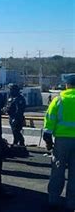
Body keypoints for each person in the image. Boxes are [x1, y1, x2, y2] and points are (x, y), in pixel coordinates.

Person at [43, 75, 75, 211]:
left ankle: (54, 200)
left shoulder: (59, 99)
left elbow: (50, 120)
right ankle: (71, 203)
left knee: (57, 170)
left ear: (67, 85)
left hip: (62, 140)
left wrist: (48, 140)